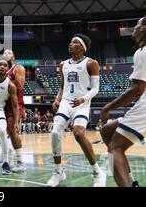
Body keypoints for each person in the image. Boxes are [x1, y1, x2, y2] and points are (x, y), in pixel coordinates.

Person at [47, 34, 106, 187]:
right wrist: (57, 99)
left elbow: (95, 89)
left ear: (82, 47)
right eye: (71, 41)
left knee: (79, 134)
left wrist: (83, 99)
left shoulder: (91, 63)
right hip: (66, 102)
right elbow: (62, 86)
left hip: (82, 103)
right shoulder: (63, 64)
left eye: (74, 42)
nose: (70, 44)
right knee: (54, 133)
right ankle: (58, 172)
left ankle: (97, 172)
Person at [100, 16, 146, 187]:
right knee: (106, 131)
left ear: (144, 29)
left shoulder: (143, 52)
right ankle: (131, 181)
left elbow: (137, 89)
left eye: (137, 25)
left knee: (115, 148)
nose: (134, 28)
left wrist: (108, 107)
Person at [0, 49, 26, 172]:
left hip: (14, 104)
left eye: (9, 52)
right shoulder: (1, 70)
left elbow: (20, 86)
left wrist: (4, 81)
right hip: (2, 104)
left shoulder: (18, 68)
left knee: (12, 131)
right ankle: (8, 150)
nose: (6, 54)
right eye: (4, 53)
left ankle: (20, 161)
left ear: (13, 57)